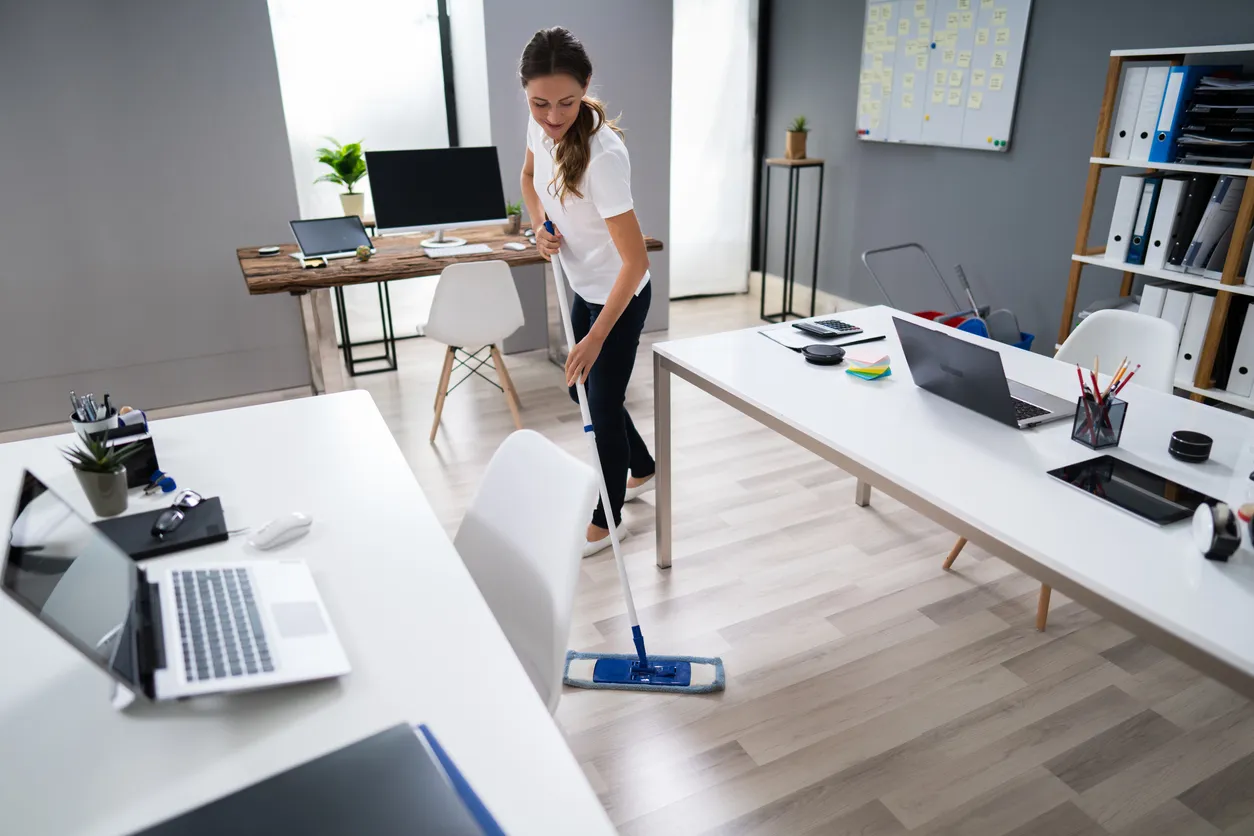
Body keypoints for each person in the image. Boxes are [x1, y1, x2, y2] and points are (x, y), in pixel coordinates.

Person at [519, 27, 654, 557]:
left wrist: (597, 337)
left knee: (598, 403)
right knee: (581, 391)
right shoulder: (540, 129)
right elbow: (530, 178)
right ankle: (642, 467)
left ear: (587, 86)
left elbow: (635, 260)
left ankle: (610, 513)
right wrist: (539, 225)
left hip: (620, 294)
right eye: (539, 103)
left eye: (567, 103)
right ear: (526, 92)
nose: (553, 117)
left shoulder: (604, 158)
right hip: (585, 285)